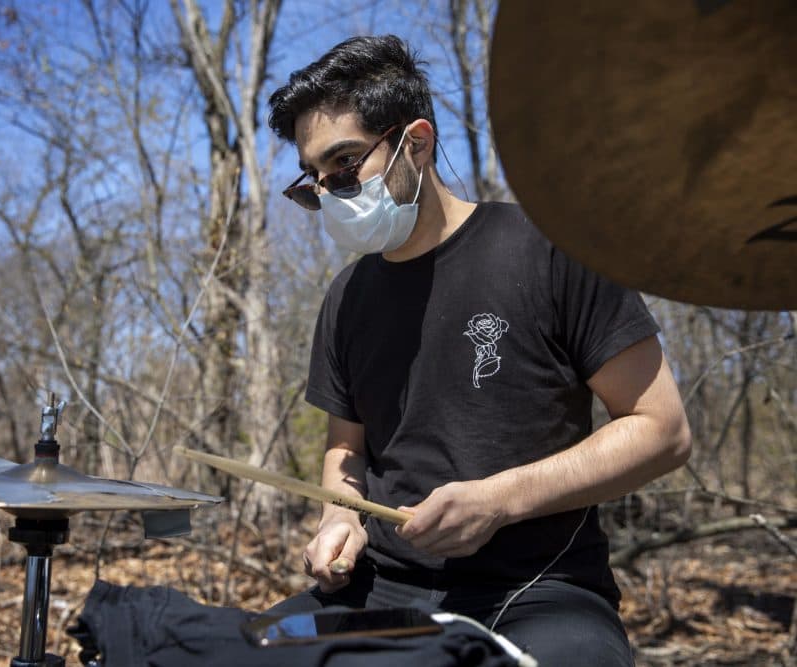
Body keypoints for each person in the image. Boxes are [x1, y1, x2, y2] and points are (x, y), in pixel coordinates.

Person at [265, 35, 691, 666]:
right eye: (315, 183)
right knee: (226, 649)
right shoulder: (346, 298)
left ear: (416, 141)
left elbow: (662, 430)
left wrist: (498, 500)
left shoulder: (548, 251)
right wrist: (342, 519)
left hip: (539, 592)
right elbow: (345, 448)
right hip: (383, 588)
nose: (331, 195)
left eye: (347, 166)